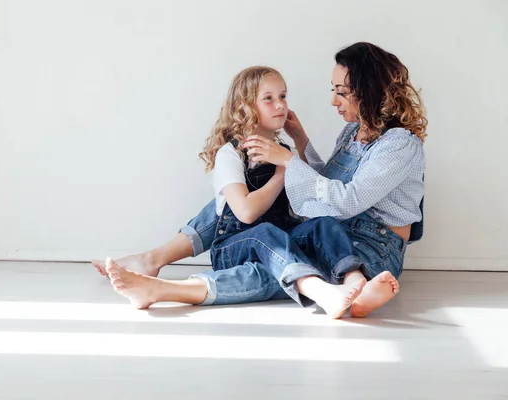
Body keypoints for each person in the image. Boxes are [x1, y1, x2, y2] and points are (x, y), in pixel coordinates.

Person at [95, 42, 427, 318]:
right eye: (334, 90)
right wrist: (299, 143)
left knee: (280, 264)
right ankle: (154, 260)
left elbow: (346, 199)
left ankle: (166, 289)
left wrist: (287, 162)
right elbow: (325, 184)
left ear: (366, 92)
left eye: (341, 92)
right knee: (239, 206)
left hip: (370, 247)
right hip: (332, 228)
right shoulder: (353, 131)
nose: (333, 100)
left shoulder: (399, 144)